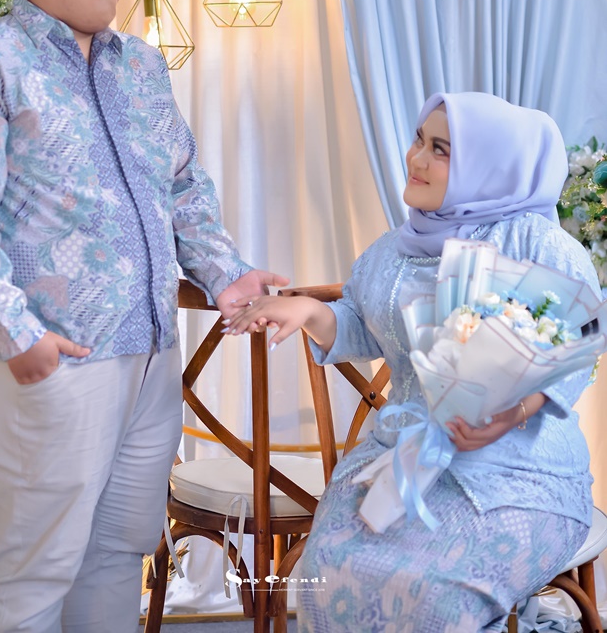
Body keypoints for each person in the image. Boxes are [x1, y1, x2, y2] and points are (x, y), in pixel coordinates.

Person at [0, 0, 288, 633]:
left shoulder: (140, 66)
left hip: (150, 357)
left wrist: (226, 275)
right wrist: (17, 332)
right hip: (47, 359)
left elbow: (182, 186)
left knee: (118, 555)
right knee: (34, 569)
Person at [226, 92, 599, 633]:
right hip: (403, 457)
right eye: (419, 140)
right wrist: (310, 310)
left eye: (441, 149)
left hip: (517, 475)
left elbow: (578, 345)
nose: (415, 158)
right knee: (329, 571)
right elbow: (361, 323)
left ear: (488, 166)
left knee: (438, 597)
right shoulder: (393, 249)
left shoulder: (533, 241)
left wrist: (512, 413)